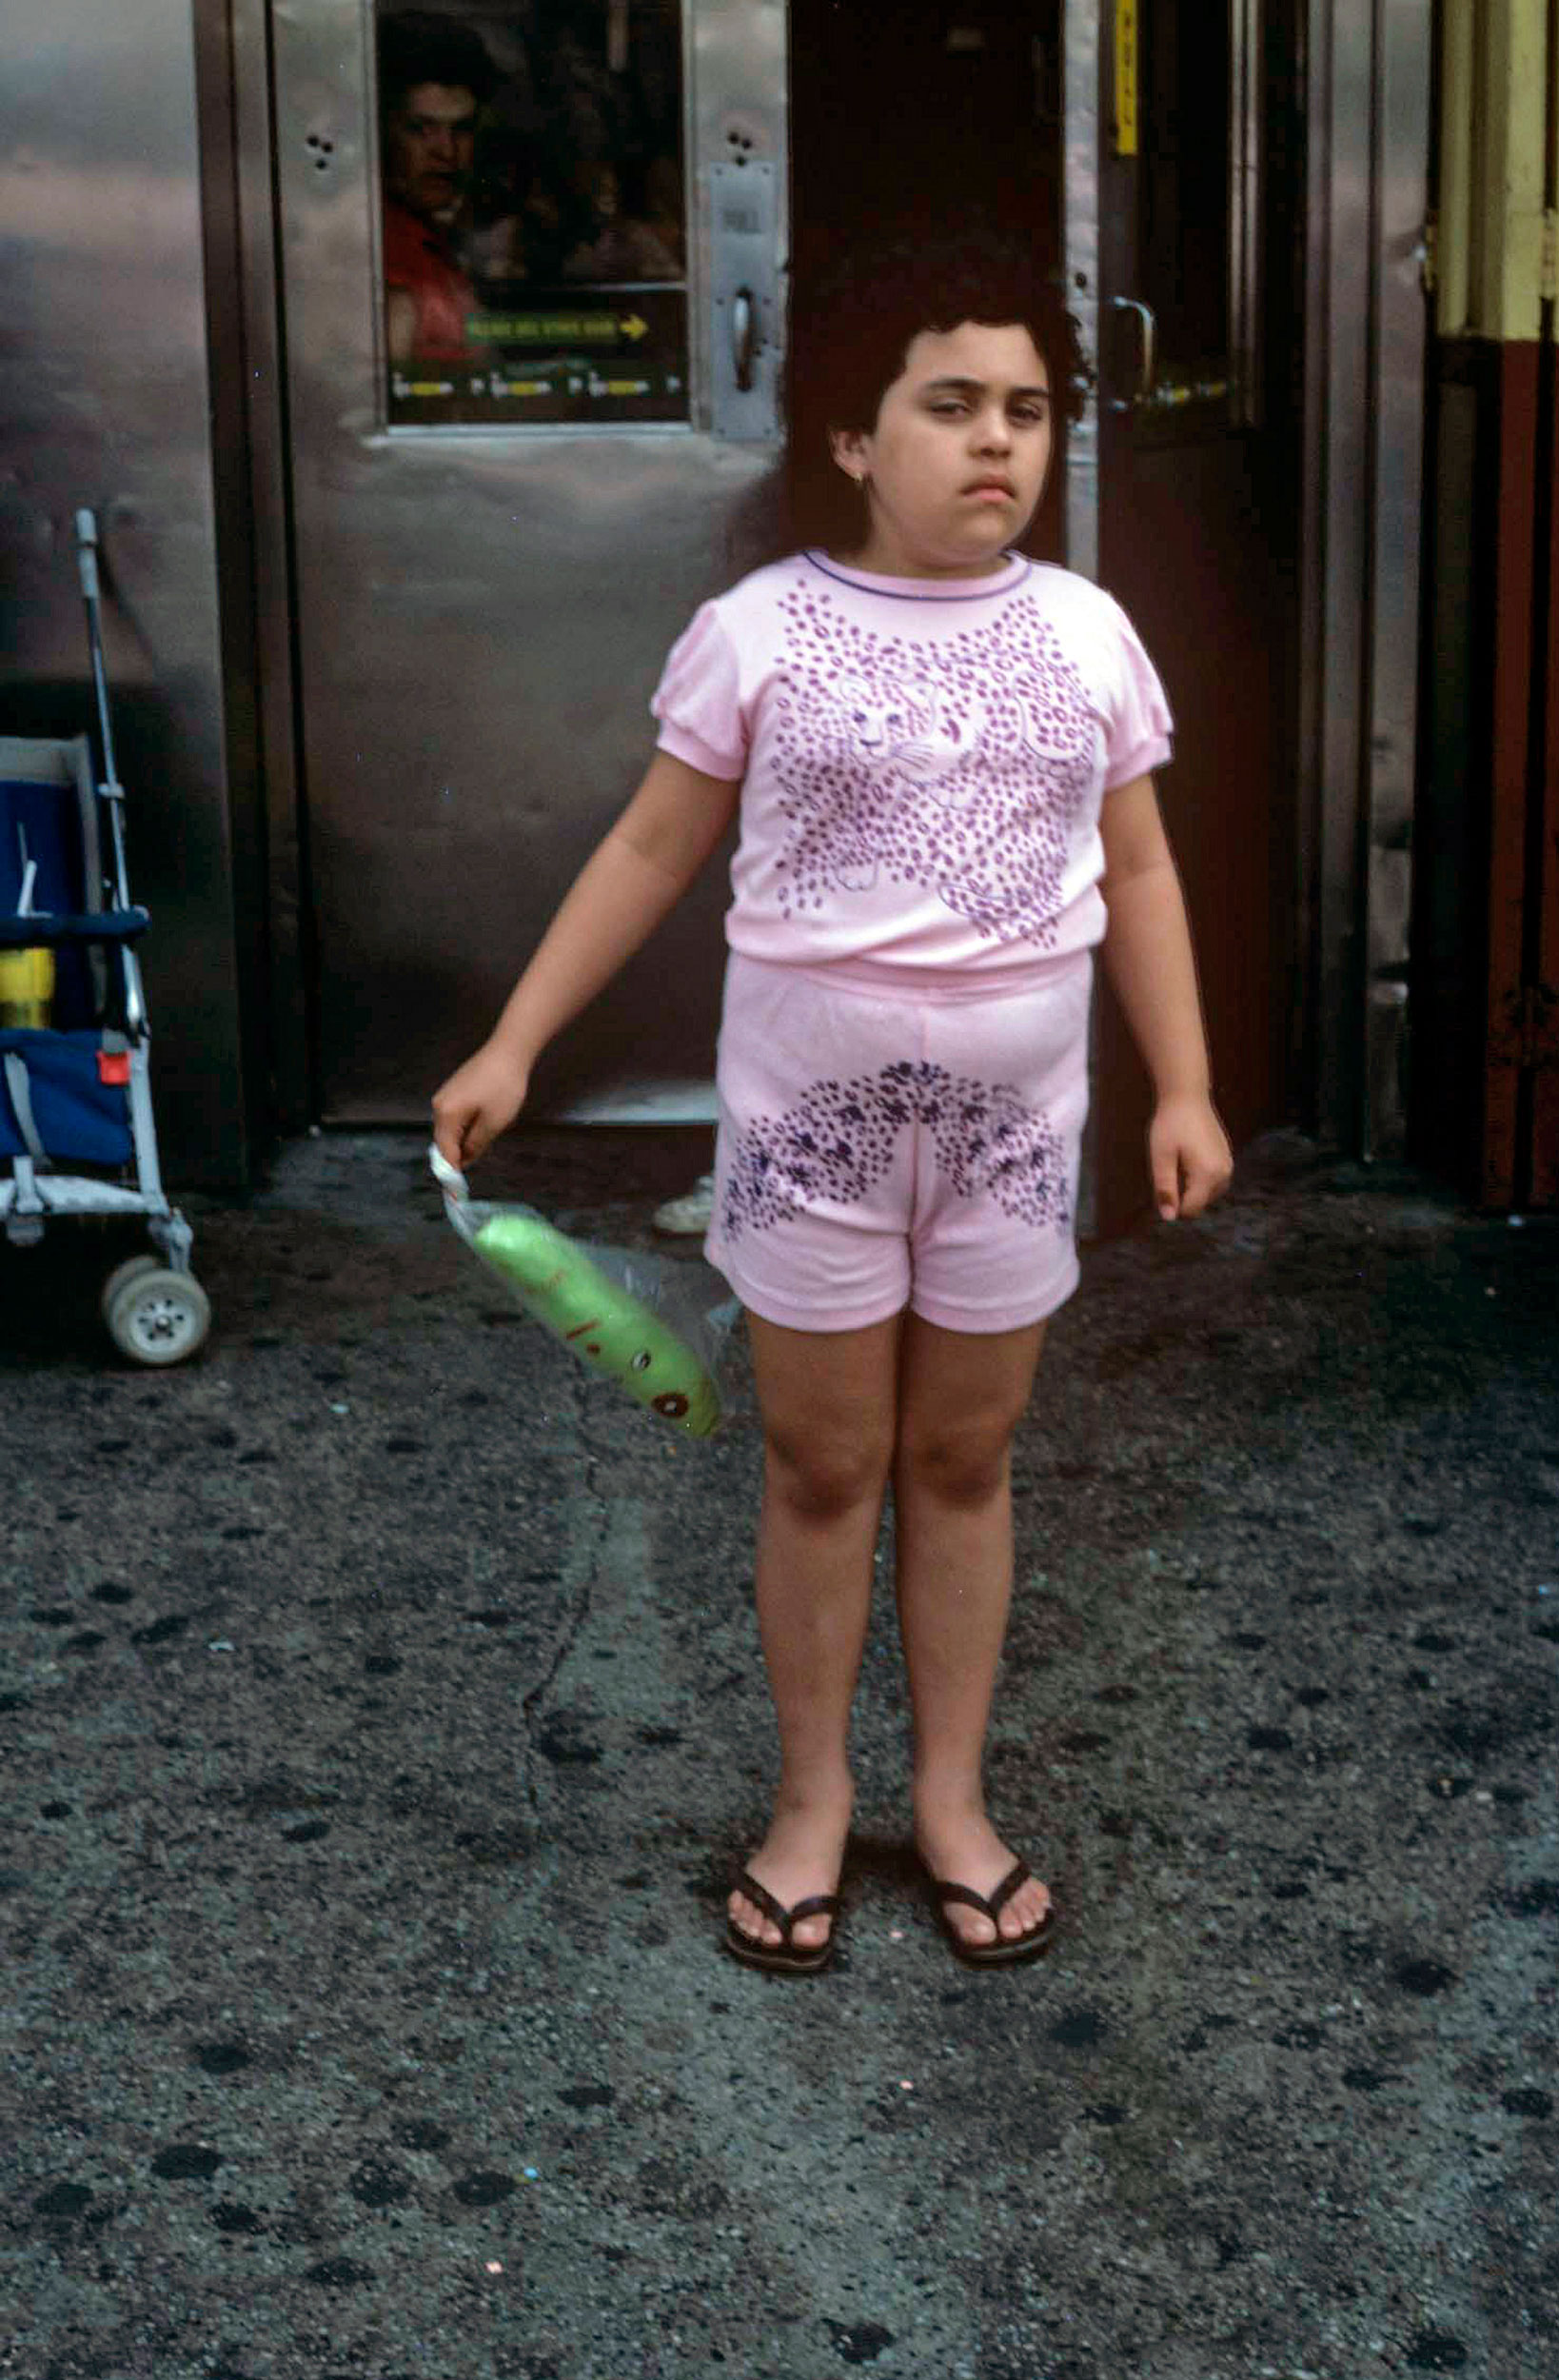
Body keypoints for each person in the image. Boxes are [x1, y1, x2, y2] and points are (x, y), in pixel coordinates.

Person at [431, 228, 1233, 1975]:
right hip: (811, 1135)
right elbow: (652, 847)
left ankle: (947, 1798)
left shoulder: (1088, 633)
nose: (995, 443)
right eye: (948, 406)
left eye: (1024, 409)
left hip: (1016, 1141)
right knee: (820, 1465)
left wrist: (1181, 1083)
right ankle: (808, 1801)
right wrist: (513, 1043)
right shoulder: (758, 631)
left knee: (959, 1457)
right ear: (855, 441)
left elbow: (1145, 874)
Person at [379, 11, 499, 366]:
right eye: (419, 128)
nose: (445, 152)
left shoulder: (430, 238)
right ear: (383, 132)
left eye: (460, 129)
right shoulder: (385, 251)